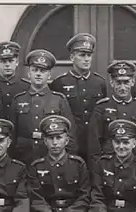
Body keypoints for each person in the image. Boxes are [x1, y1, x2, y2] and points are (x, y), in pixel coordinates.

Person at [9, 49, 77, 166]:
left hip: (50, 157)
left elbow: (70, 134)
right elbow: (11, 135)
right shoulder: (18, 100)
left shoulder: (59, 99)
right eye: (35, 70)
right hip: (23, 157)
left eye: (43, 71)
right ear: (29, 73)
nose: (38, 74)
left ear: (49, 74)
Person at [49, 33, 107, 162]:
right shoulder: (60, 83)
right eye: (82, 55)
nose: (86, 59)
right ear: (72, 57)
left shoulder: (99, 82)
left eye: (89, 55)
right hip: (69, 143)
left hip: (95, 143)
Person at [88, 61, 136, 163]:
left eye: (126, 82)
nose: (122, 87)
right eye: (118, 83)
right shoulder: (102, 107)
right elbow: (94, 142)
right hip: (109, 163)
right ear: (111, 83)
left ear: (133, 82)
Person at [0, 41, 31, 119]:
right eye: (3, 61)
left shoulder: (27, 86)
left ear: (17, 62)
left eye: (10, 61)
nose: (7, 65)